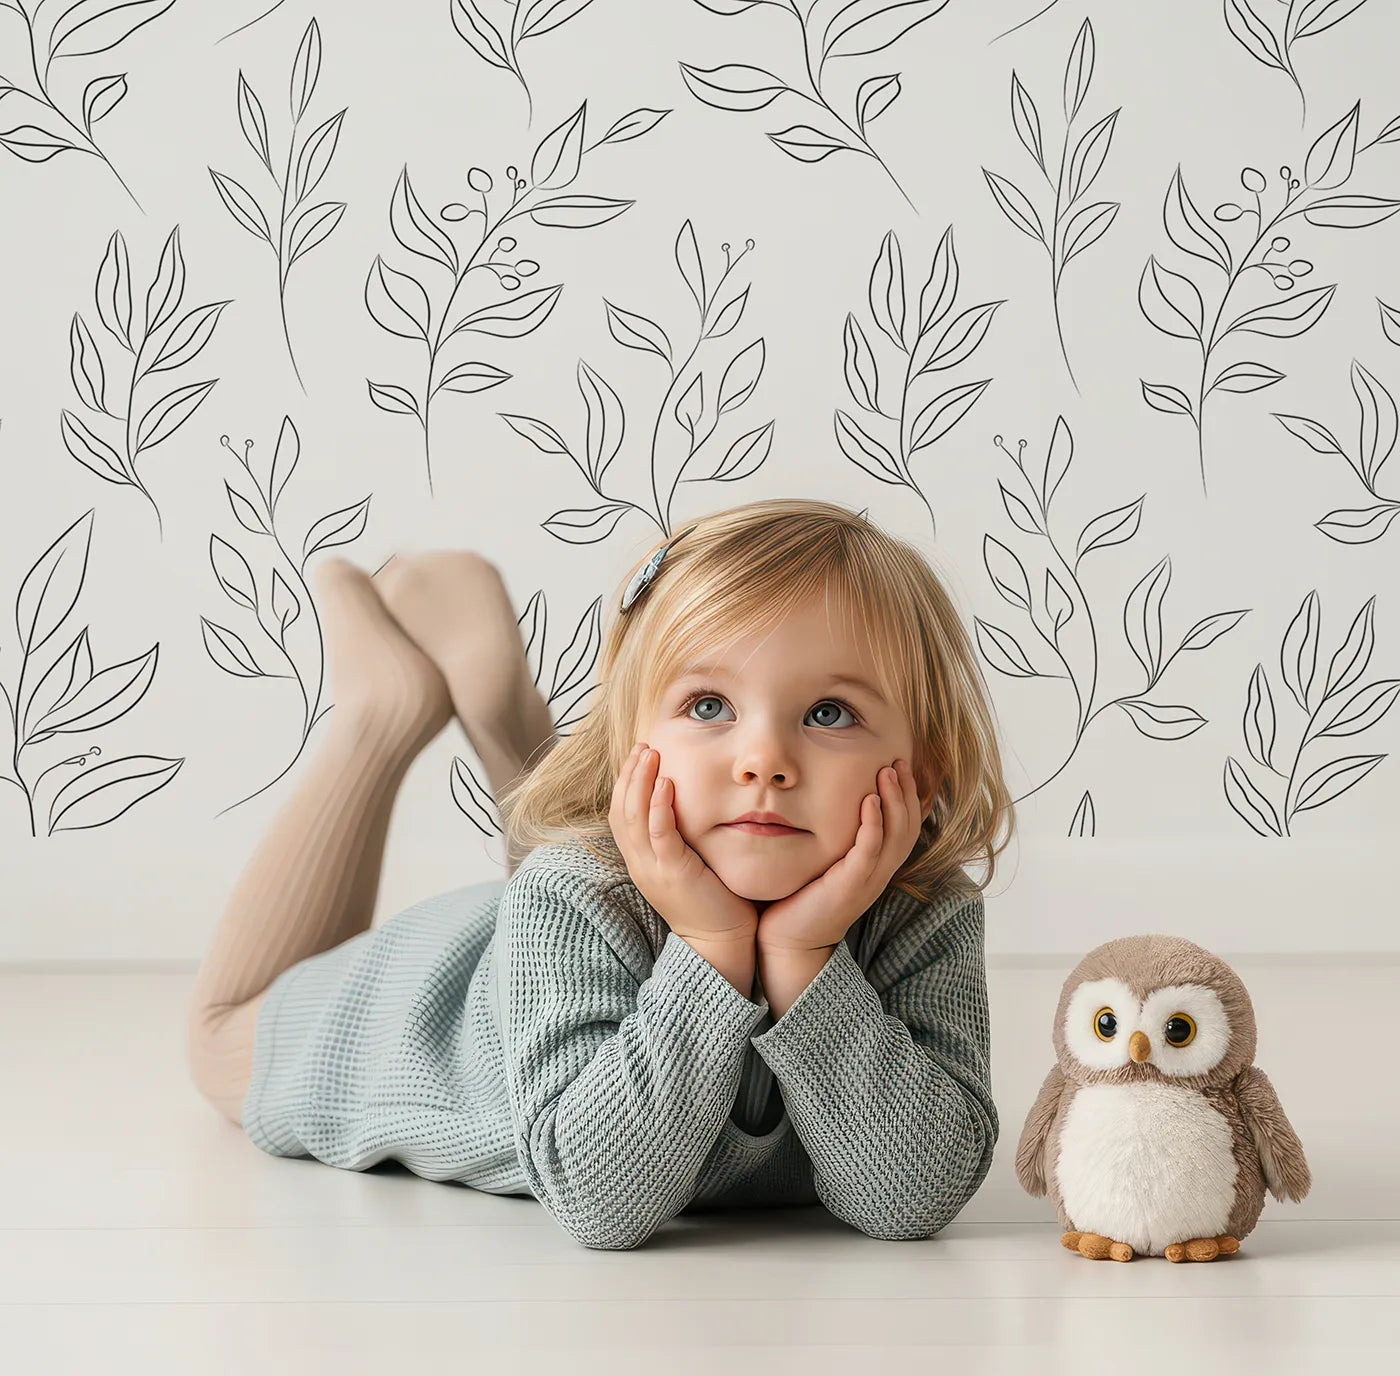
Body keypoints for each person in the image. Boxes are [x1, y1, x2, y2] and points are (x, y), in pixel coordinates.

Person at [186, 498, 1016, 1250]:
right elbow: (599, 1200)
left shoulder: (923, 906)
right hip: (424, 1013)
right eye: (709, 707)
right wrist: (712, 945)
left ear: (925, 769)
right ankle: (381, 710)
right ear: (629, 742)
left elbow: (916, 1195)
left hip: (579, 930)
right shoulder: (569, 894)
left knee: (595, 854)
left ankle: (495, 697)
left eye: (829, 713)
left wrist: (804, 957)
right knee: (218, 1034)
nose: (764, 760)